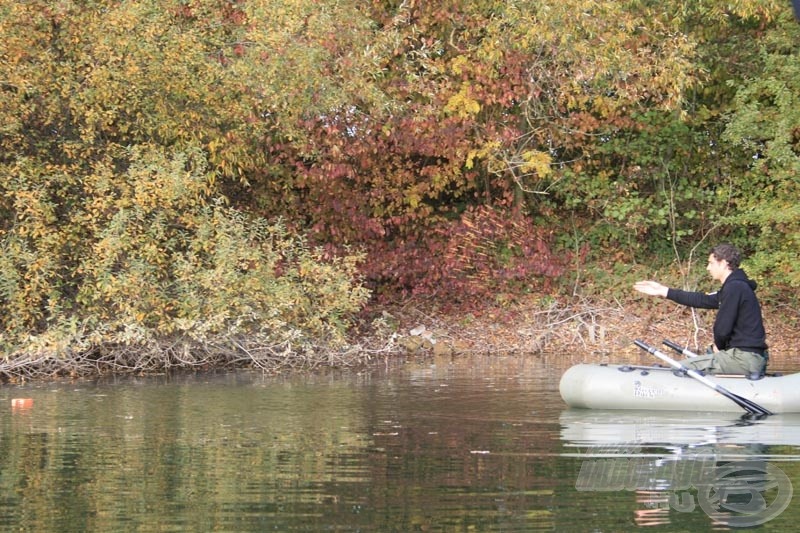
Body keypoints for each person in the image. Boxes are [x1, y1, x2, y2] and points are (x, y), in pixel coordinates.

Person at [633, 243, 768, 375]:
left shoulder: (735, 288)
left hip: (744, 358)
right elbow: (702, 299)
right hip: (747, 356)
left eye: (711, 263)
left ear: (724, 263)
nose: (708, 268)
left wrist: (718, 347)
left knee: (681, 367)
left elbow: (722, 328)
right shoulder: (735, 287)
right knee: (707, 354)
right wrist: (664, 291)